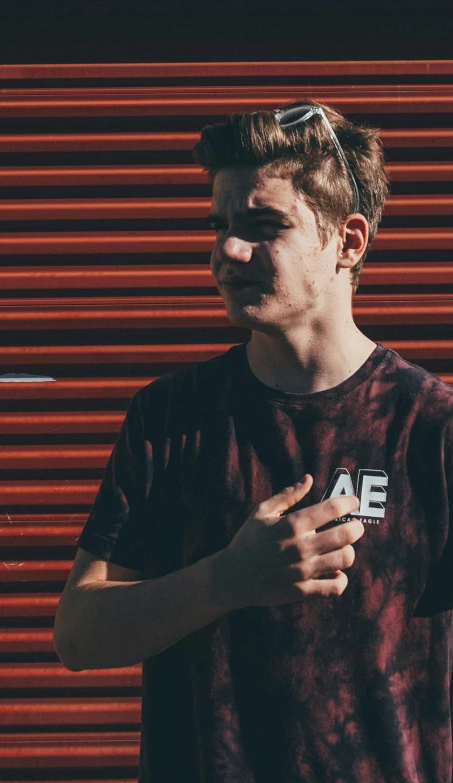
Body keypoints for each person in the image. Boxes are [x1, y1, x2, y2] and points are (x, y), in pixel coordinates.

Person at [53, 100, 453, 783]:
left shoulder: (431, 428)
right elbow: (78, 634)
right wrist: (226, 580)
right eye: (220, 225)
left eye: (264, 225)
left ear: (348, 242)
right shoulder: (170, 419)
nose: (227, 250)